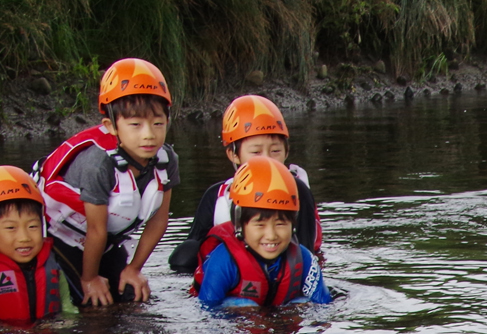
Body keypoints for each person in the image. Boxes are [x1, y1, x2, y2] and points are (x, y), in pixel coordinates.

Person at [37, 58, 179, 307]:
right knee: (92, 303)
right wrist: (90, 278)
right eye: (135, 125)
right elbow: (96, 229)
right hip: (63, 238)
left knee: (132, 298)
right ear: (111, 126)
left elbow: (159, 220)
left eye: (158, 124)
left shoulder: (167, 159)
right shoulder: (97, 164)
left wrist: (134, 268)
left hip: (106, 242)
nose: (148, 134)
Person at [167, 95, 321, 274]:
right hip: (236, 269)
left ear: (287, 151)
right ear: (233, 155)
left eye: (275, 151)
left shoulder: (298, 191)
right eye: (256, 152)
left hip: (281, 266)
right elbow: (197, 246)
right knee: (183, 256)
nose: (267, 160)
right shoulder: (216, 196)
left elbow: (305, 249)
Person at [192, 159, 331, 309]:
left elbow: (324, 305)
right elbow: (206, 311)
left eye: (280, 224)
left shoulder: (304, 259)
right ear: (239, 223)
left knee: (302, 304)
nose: (271, 235)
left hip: (282, 322)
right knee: (244, 305)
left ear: (293, 223)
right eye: (260, 225)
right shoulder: (223, 261)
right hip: (239, 321)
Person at [0, 167, 76, 325]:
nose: (24, 238)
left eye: (32, 226)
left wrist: (67, 325)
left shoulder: (52, 264)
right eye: (10, 228)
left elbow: (68, 309)